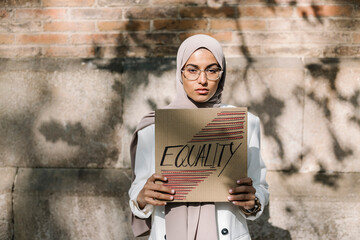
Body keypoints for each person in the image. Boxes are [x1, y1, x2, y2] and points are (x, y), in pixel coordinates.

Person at [128, 34, 269, 240]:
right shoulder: (154, 126)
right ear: (180, 72)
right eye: (192, 70)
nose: (202, 80)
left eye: (212, 70)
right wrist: (142, 197)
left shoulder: (243, 123)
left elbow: (260, 186)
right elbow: (137, 191)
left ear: (222, 73)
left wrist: (253, 202)